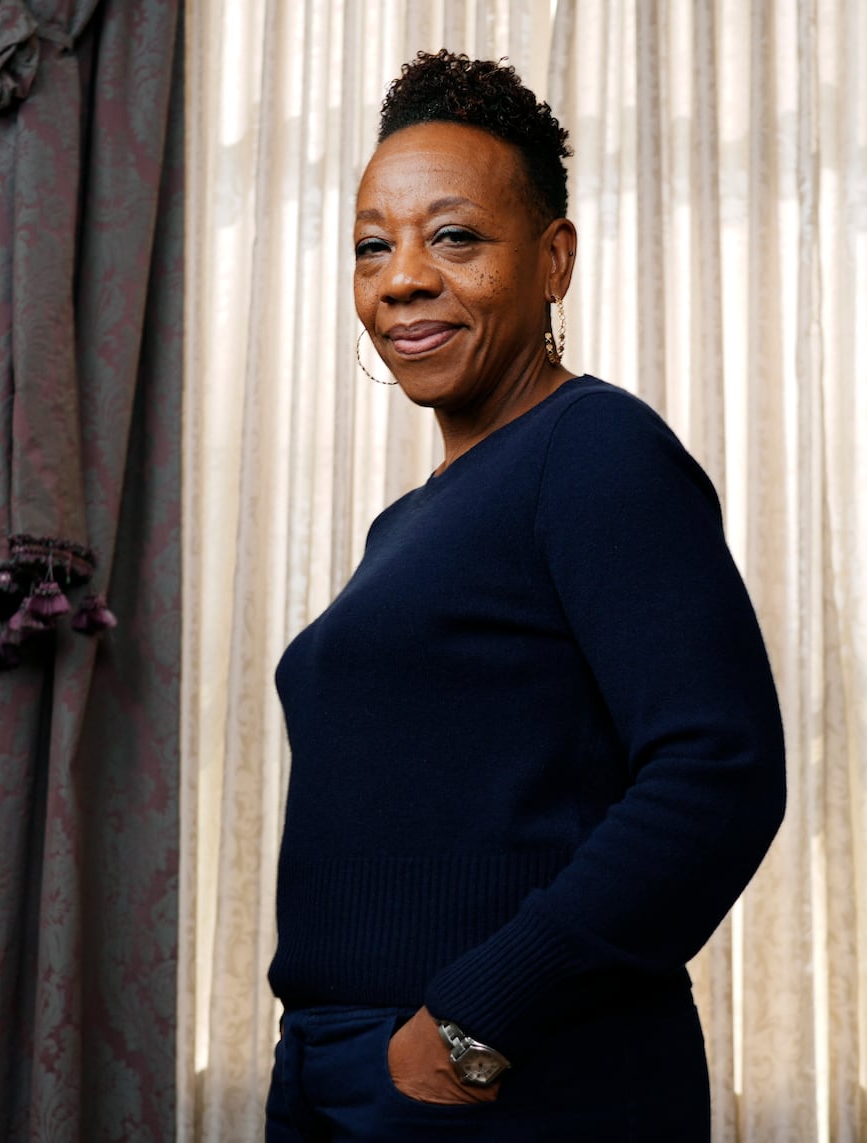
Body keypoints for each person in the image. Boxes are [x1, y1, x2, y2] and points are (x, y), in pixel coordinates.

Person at [265, 50, 786, 1142]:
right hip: (342, 1063)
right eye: (373, 244)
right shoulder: (410, 523)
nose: (402, 275)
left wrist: (471, 1025)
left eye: (452, 235)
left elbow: (717, 773)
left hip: (511, 1078)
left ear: (554, 259)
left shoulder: (595, 449)